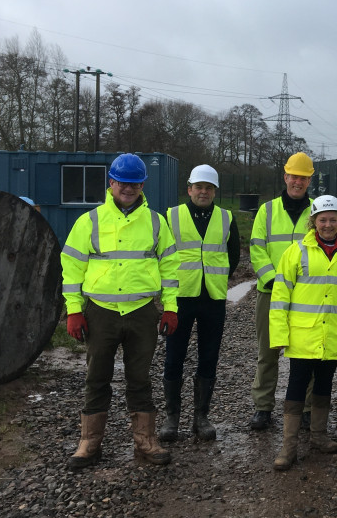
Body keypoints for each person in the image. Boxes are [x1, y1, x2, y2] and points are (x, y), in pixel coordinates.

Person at [61, 152, 179, 470]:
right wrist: (74, 310)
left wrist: (170, 308)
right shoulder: (90, 222)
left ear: (142, 184)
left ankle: (145, 441)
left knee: (139, 379)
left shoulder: (156, 222)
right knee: (96, 377)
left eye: (134, 183)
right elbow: (71, 269)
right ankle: (89, 443)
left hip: (141, 311)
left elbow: (170, 266)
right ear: (111, 183)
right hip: (100, 311)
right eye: (122, 182)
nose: (128, 188)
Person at [269, 195, 337, 470]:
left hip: (335, 334)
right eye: (322, 220)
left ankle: (318, 436)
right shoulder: (295, 252)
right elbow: (280, 296)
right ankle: (288, 447)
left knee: (325, 385)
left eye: (333, 219)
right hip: (303, 334)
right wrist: (278, 336)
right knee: (296, 386)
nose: (328, 225)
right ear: (313, 222)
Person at [159, 164, 241, 443]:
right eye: (199, 187)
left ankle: (200, 417)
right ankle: (172, 418)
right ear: (189, 189)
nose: (203, 191)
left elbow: (233, 255)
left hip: (213, 299)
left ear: (215, 191)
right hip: (180, 298)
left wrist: (217, 280)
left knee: (209, 357)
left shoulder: (226, 217)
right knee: (174, 357)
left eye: (209, 188)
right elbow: (163, 255)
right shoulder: (171, 216)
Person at [249, 152, 314, 430]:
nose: (297, 182)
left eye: (303, 177)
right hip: (272, 293)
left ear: (309, 180)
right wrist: (274, 281)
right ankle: (263, 408)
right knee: (268, 353)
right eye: (293, 176)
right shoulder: (267, 210)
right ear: (285, 177)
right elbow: (257, 247)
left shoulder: (317, 212)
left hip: (306, 295)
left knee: (308, 353)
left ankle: (308, 409)